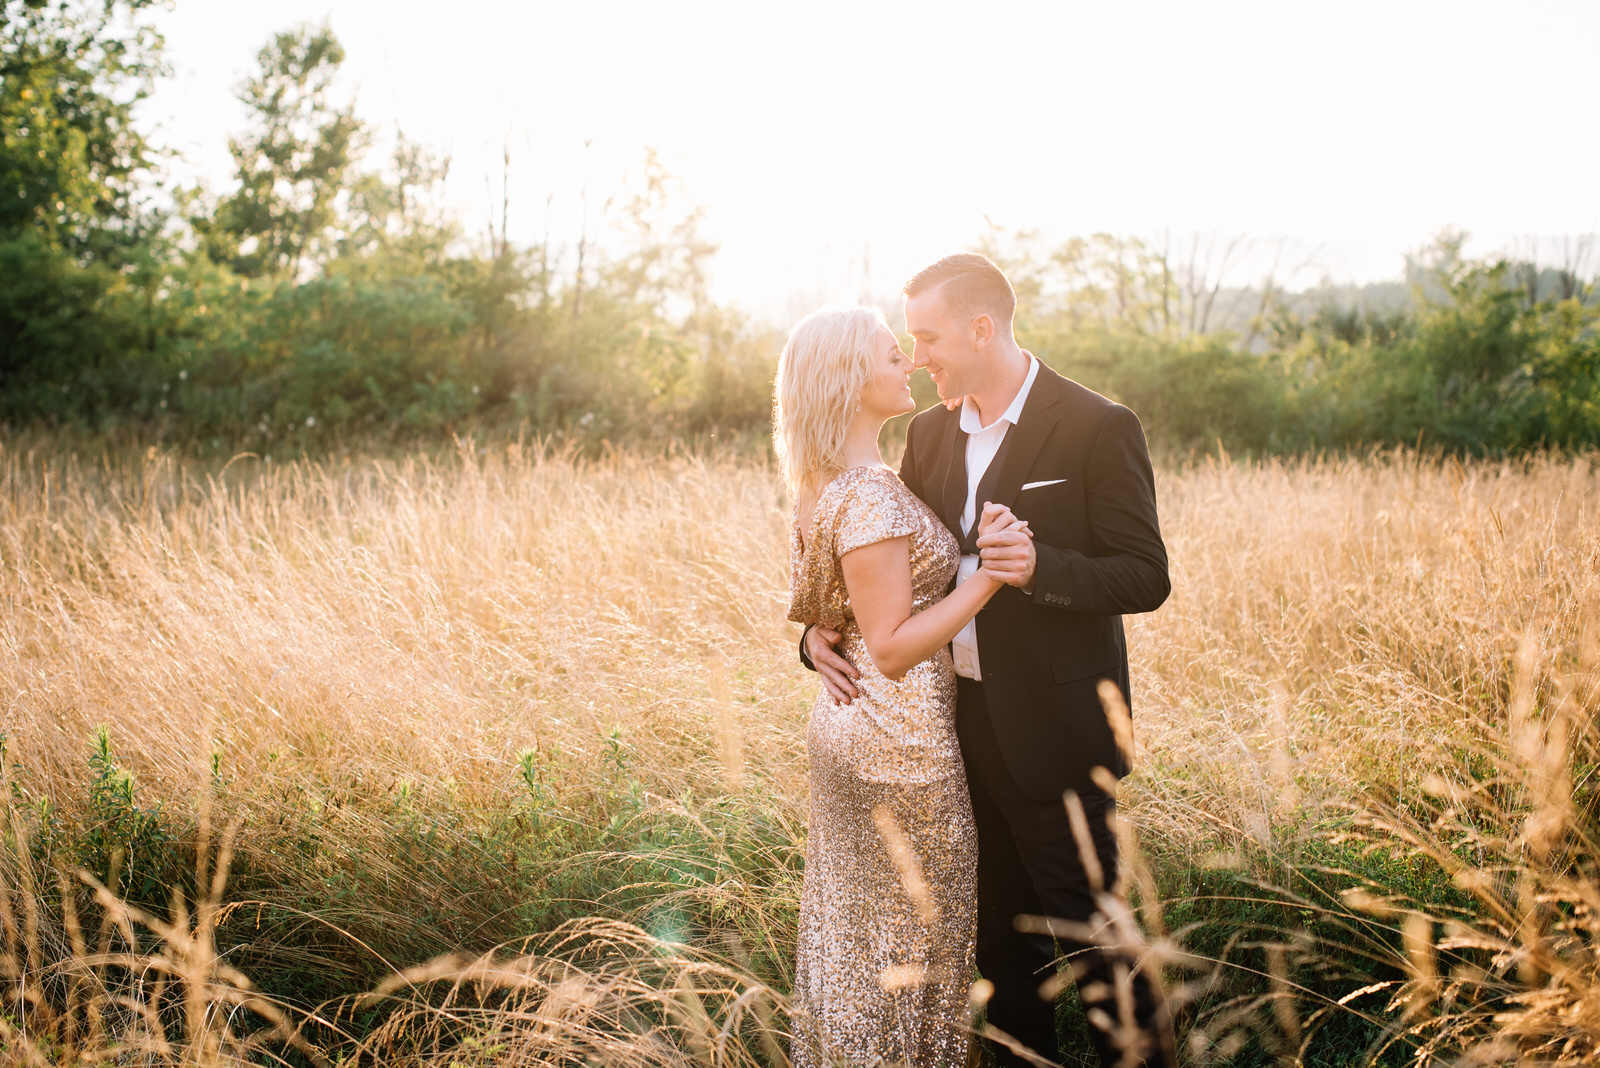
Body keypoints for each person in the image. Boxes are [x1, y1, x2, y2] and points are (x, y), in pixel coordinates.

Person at [802, 253, 1177, 1068]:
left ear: (982, 329)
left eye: (927, 337)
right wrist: (814, 637)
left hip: (1056, 736)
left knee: (1097, 944)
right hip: (953, 741)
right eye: (907, 342)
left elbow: (1145, 575)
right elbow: (894, 580)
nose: (917, 355)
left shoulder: (1095, 426)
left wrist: (1040, 567)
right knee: (1002, 956)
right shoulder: (930, 434)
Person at [775, 304, 1031, 1067]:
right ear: (853, 380)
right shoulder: (873, 493)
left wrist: (814, 638)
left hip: (851, 730)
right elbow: (888, 648)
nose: (910, 363)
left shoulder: (822, 486)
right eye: (893, 355)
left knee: (852, 941)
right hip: (900, 744)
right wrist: (990, 577)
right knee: (915, 943)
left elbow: (836, 614)